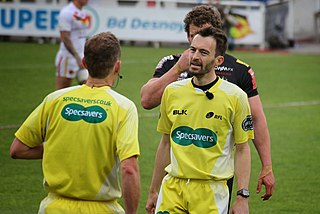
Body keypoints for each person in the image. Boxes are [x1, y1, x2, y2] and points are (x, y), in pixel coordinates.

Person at [140, 4, 274, 206]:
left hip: (215, 179)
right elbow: (147, 101)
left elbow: (255, 120)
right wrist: (178, 69)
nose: (196, 51)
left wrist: (267, 166)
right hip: (175, 181)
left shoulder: (239, 71)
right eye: (194, 37)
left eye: (205, 36)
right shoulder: (171, 65)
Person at [10, 32, 140, 214]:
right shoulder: (124, 107)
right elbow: (129, 169)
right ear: (117, 66)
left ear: (84, 63)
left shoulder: (54, 99)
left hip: (53, 208)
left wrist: (59, 147)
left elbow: (17, 150)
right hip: (102, 209)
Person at [146, 26, 253, 214]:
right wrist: (154, 190)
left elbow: (243, 149)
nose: (195, 57)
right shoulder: (172, 92)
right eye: (193, 50)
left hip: (211, 192)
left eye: (204, 52)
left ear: (218, 60)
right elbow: (165, 144)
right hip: (172, 188)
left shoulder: (236, 96)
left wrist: (242, 197)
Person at [55, 0, 90, 89]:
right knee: (62, 91)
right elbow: (65, 37)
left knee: (89, 88)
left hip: (81, 57)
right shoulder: (66, 12)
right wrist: (77, 57)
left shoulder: (83, 13)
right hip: (68, 59)